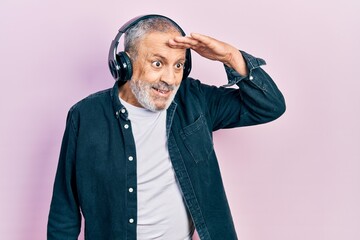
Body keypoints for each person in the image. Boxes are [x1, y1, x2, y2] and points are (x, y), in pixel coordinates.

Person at [47, 15, 286, 240]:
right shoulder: (85, 116)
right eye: (158, 63)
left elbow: (270, 106)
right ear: (125, 64)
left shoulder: (196, 99)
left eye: (179, 65)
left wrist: (232, 58)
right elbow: (64, 208)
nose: (170, 79)